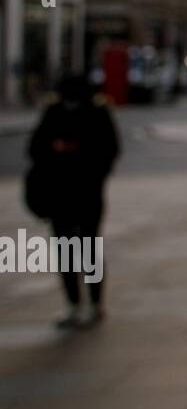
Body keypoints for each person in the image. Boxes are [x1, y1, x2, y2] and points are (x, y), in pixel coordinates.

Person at [27, 73, 120, 329]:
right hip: (59, 194)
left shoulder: (97, 112)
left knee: (88, 248)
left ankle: (94, 303)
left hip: (87, 192)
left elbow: (109, 151)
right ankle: (74, 304)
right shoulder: (54, 112)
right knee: (67, 250)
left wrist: (80, 156)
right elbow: (35, 148)